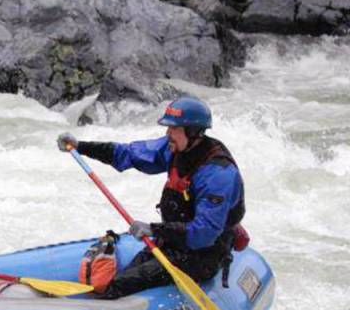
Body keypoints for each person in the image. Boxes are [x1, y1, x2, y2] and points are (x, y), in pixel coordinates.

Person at [57, 95, 246, 299]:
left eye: (174, 129)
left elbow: (203, 234)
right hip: (172, 245)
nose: (168, 134)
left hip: (202, 255)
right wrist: (81, 147)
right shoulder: (175, 148)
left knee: (115, 289)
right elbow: (128, 154)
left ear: (193, 132)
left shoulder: (218, 175)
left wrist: (154, 229)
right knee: (119, 280)